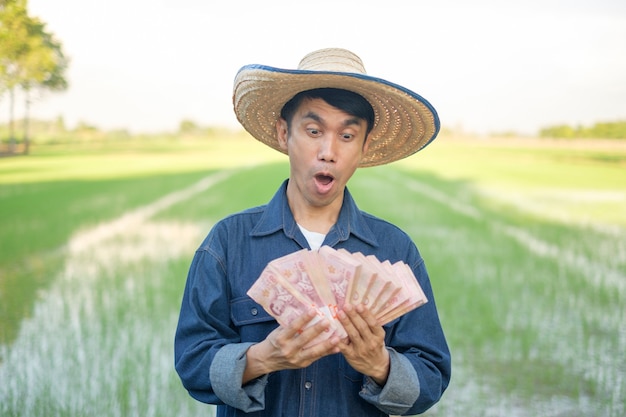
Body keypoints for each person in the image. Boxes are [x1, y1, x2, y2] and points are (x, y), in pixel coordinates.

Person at [174, 47, 451, 417]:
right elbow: (192, 363)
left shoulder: (395, 250)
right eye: (314, 130)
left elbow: (431, 376)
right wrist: (260, 358)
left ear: (365, 147)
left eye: (347, 136)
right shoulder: (227, 243)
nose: (328, 151)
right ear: (284, 132)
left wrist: (380, 364)